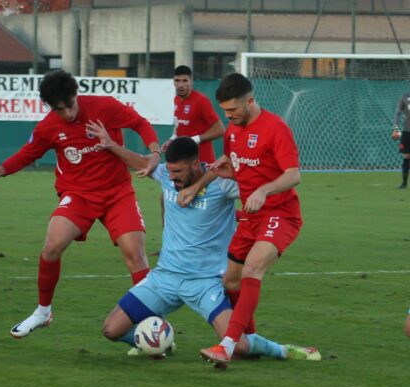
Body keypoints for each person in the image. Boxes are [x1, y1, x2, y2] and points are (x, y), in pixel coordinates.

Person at [85, 132, 319, 362]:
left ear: (196, 164)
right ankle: (159, 341)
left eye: (178, 172)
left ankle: (283, 350)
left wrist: (254, 185)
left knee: (239, 345)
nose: (172, 177)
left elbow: (260, 186)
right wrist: (110, 144)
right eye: (169, 171)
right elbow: (140, 161)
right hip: (164, 279)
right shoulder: (167, 175)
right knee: (111, 330)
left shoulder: (222, 184)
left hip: (205, 283)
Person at [0, 70, 161, 338]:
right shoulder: (48, 127)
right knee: (52, 245)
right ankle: (43, 311)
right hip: (79, 194)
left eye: (70, 105)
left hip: (117, 192)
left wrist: (155, 152)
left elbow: (140, 124)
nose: (67, 113)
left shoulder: (104, 106)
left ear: (76, 95)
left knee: (135, 254)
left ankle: (152, 325)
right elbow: (27, 154)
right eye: (59, 109)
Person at [178, 73, 303, 364]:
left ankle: (227, 346)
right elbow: (235, 167)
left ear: (250, 101)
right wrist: (199, 185)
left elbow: (293, 174)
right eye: (224, 111)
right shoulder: (232, 132)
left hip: (280, 214)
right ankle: (251, 342)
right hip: (250, 218)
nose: (228, 116)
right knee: (230, 282)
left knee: (252, 270)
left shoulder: (275, 129)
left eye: (233, 110)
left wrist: (264, 189)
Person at [151, 65, 225, 256]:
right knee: (167, 199)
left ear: (192, 81)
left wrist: (196, 140)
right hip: (182, 163)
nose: (180, 84)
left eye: (185, 80)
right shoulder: (174, 100)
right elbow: (180, 129)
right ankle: (171, 244)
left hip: (201, 165)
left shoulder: (201, 101)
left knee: (204, 205)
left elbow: (220, 129)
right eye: (177, 81)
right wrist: (172, 140)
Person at [392, 92, 410, 189]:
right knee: (407, 156)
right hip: (407, 131)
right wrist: (395, 129)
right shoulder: (405, 96)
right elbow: (398, 113)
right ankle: (404, 183)